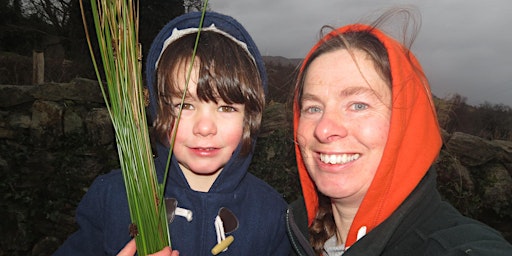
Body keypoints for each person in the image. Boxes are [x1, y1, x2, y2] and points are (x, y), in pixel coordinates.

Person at [54, 11, 290, 255]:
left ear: (249, 118)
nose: (205, 127)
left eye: (226, 107)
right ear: (158, 110)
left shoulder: (273, 215)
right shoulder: (113, 197)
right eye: (185, 105)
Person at [286, 9, 512, 256]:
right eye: (313, 108)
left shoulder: (454, 247)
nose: (324, 128)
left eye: (358, 105)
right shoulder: (287, 234)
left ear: (407, 124)